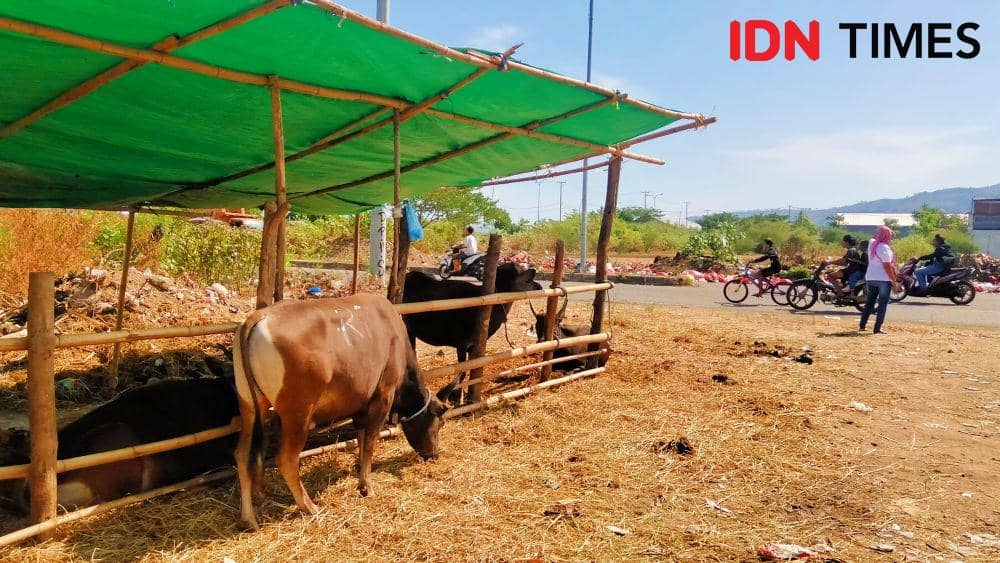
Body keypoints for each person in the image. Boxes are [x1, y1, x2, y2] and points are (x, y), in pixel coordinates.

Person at [860, 226, 901, 334]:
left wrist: (882, 233)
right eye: (890, 236)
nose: (891, 238)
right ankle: (877, 328)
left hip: (870, 277)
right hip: (883, 279)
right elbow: (887, 266)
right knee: (882, 304)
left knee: (870, 302)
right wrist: (894, 280)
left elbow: (874, 237)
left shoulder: (872, 244)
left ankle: (862, 325)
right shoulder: (884, 248)